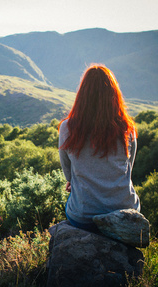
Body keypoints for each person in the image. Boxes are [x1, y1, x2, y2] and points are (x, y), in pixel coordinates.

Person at [58, 64, 140, 232]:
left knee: (71, 205)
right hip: (125, 210)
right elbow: (128, 169)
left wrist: (76, 181)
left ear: (82, 95)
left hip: (84, 215)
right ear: (113, 94)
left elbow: (68, 173)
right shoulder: (127, 128)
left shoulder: (67, 127)